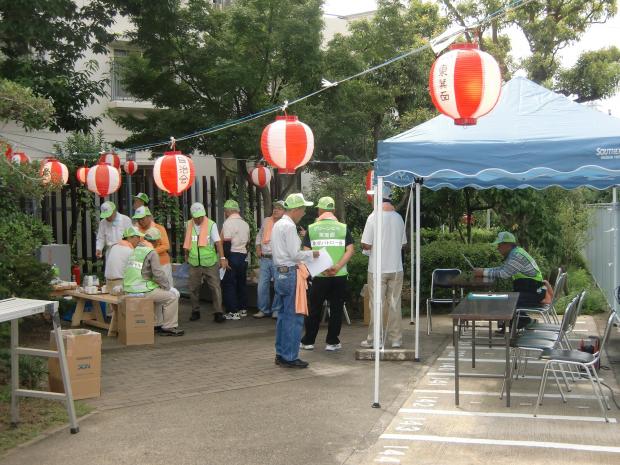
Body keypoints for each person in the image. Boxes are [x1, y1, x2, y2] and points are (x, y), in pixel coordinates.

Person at [271, 193, 319, 369]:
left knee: (283, 316)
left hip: (279, 273)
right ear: (296, 209)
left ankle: (281, 353)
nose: (304, 213)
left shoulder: (277, 224)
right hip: (290, 272)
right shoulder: (289, 227)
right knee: (294, 316)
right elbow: (295, 254)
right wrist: (312, 254)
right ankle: (290, 356)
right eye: (303, 209)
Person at [300, 197, 354, 351]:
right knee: (336, 309)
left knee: (314, 308)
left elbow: (306, 251)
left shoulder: (312, 228)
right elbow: (350, 250)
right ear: (334, 211)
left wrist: (321, 267)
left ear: (320, 211)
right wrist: (337, 266)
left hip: (319, 275)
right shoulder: (343, 228)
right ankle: (332, 342)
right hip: (339, 275)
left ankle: (308, 341)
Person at [360, 186, 407, 349]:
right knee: (395, 303)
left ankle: (375, 339)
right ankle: (396, 339)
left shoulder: (373, 217)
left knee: (376, 304)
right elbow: (403, 244)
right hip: (396, 268)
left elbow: (366, 243)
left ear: (377, 198)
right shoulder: (399, 218)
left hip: (376, 269)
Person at [473, 231, 545, 332]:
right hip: (532, 290)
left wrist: (483, 272)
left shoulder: (516, 256)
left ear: (507, 245)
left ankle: (520, 324)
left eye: (499, 245)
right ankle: (519, 323)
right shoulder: (515, 253)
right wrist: (484, 270)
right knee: (506, 298)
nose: (497, 248)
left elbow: (504, 274)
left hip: (534, 292)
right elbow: (502, 269)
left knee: (506, 300)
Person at [123, 227, 184, 336]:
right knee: (171, 297)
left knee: (158, 294)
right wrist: (169, 288)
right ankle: (169, 327)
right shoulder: (151, 252)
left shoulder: (135, 250)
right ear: (156, 241)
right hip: (142, 290)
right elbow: (158, 274)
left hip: (129, 289)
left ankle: (156, 323)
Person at [183, 202, 229, 323]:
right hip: (194, 262)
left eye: (200, 216)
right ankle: (195, 311)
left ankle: (218, 312)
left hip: (210, 262)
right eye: (196, 217)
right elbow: (187, 242)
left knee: (215, 287)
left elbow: (218, 242)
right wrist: (186, 256)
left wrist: (222, 258)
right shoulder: (188, 225)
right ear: (192, 216)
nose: (198, 219)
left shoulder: (211, 224)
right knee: (193, 288)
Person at [253, 200, 286, 319]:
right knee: (262, 285)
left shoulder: (285, 223)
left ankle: (276, 310)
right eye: (275, 207)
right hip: (265, 258)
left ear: (285, 211)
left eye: (279, 208)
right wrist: (257, 247)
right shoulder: (267, 220)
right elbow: (260, 235)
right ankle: (263, 309)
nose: (276, 210)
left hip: (278, 259)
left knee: (278, 284)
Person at [220, 199, 250, 319]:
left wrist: (225, 258)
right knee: (241, 283)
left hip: (232, 255)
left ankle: (233, 311)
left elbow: (227, 243)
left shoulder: (228, 223)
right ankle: (243, 308)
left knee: (229, 284)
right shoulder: (245, 224)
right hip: (243, 256)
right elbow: (248, 243)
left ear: (227, 211)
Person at [133, 206, 172, 287]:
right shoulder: (137, 230)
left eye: (142, 219)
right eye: (138, 219)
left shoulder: (159, 228)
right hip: (146, 267)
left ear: (149, 217)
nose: (140, 221)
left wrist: (150, 252)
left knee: (167, 287)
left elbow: (166, 246)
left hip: (162, 264)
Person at [104, 226, 144, 292]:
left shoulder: (114, 247)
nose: (139, 240)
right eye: (138, 237)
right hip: (119, 285)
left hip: (108, 284)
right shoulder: (130, 251)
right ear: (131, 237)